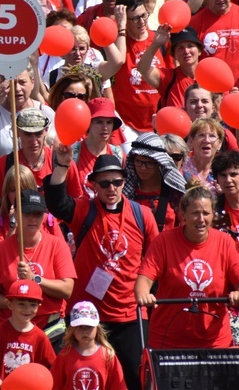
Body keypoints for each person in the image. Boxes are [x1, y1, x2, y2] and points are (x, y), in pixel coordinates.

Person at [44, 152, 159, 389]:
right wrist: (63, 164)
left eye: (117, 182)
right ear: (94, 185)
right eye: (104, 183)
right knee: (87, 378)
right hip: (88, 313)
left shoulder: (142, 214)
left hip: (129, 314)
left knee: (136, 379)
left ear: (124, 183)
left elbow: (154, 261)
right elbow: (56, 203)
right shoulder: (85, 210)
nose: (111, 188)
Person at [135, 184, 239, 349]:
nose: (201, 219)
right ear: (183, 214)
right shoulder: (164, 241)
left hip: (214, 341)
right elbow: (144, 279)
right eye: (195, 213)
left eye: (206, 213)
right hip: (168, 341)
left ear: (213, 215)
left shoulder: (225, 242)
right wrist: (144, 296)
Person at [0, 190, 76, 349]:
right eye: (27, 213)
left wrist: (35, 279)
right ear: (16, 214)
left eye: (38, 214)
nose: (32, 219)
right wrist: (16, 303)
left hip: (49, 331)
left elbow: (67, 289)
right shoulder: (0, 250)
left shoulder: (57, 246)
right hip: (9, 330)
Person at [0, 108, 82, 211]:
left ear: (46, 130)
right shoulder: (3, 165)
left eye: (38, 133)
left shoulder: (63, 162)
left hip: (55, 226)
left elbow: (77, 208)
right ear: (17, 132)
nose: (34, 141)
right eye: (28, 134)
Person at [0, 279, 56, 388]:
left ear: (39, 306)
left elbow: (48, 369)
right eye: (21, 304)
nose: (27, 309)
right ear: (10, 305)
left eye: (33, 305)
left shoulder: (40, 337)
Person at [112, 0, 166, 141]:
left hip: (158, 123)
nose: (141, 22)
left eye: (144, 15)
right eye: (135, 18)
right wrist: (120, 28)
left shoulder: (160, 40)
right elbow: (119, 60)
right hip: (127, 124)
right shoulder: (118, 42)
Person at [0, 66, 56, 158]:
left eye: (22, 82)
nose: (17, 88)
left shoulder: (45, 113)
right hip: (0, 170)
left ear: (32, 83)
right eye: (12, 83)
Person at [51, 301, 126, 389]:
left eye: (89, 326)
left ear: (97, 328)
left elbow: (118, 385)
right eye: (79, 327)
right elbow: (55, 385)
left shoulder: (107, 355)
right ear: (72, 330)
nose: (84, 331)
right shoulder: (65, 354)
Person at [123, 133, 186, 232]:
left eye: (149, 163)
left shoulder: (175, 193)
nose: (143, 168)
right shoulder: (126, 192)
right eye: (138, 162)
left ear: (159, 163)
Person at [69, 98, 124, 198]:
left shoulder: (118, 154)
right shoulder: (73, 153)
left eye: (109, 122)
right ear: (88, 124)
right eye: (99, 122)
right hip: (79, 211)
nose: (105, 127)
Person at [137, 25, 201, 109]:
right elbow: (143, 69)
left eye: (190, 46)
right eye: (180, 48)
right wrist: (155, 44)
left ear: (199, 51)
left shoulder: (210, 77)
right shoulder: (169, 78)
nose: (186, 51)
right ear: (174, 55)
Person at [0, 165, 39, 251]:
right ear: (6, 193)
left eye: (23, 189)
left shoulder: (46, 220)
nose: (18, 195)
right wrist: (13, 227)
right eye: (13, 190)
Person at [182, 118, 225, 196]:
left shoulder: (223, 171)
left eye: (212, 136)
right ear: (191, 141)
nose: (207, 140)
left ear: (219, 144)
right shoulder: (182, 167)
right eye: (201, 135)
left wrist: (224, 195)